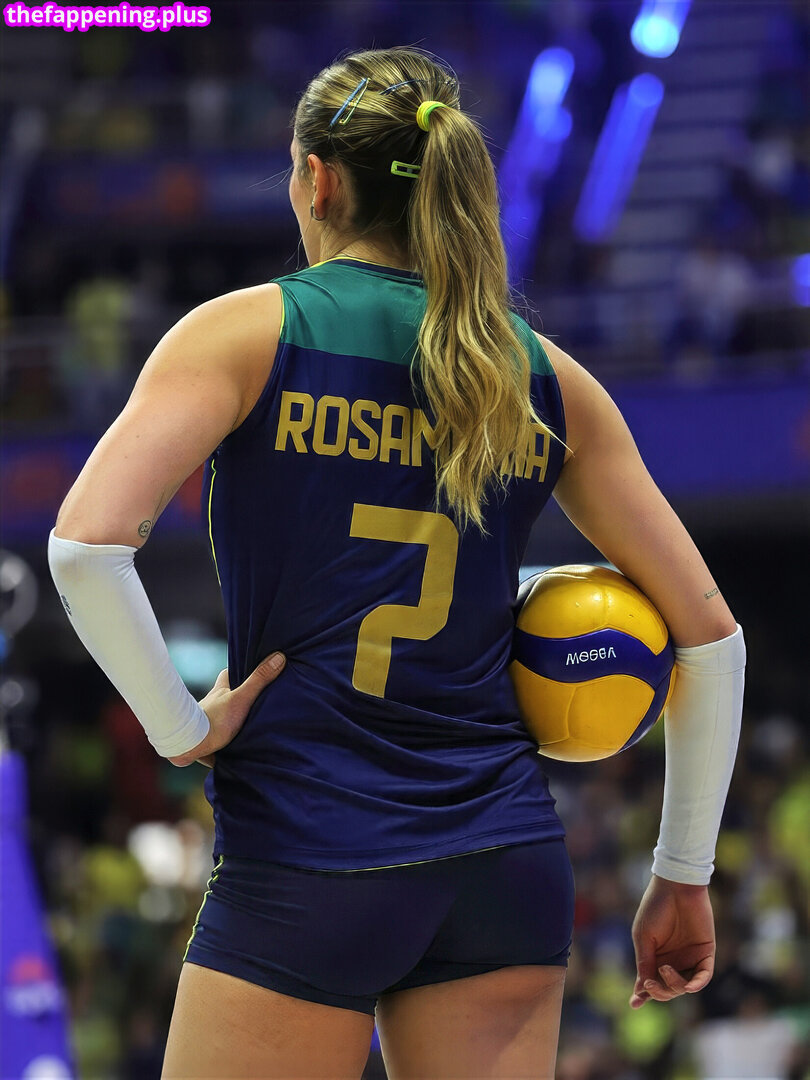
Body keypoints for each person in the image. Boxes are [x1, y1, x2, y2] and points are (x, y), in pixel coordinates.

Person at [48, 47, 746, 1080]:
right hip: (502, 871)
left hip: (307, 856)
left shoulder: (247, 333)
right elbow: (712, 642)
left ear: (317, 180)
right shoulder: (544, 376)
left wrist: (184, 729)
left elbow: (84, 549)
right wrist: (683, 872)